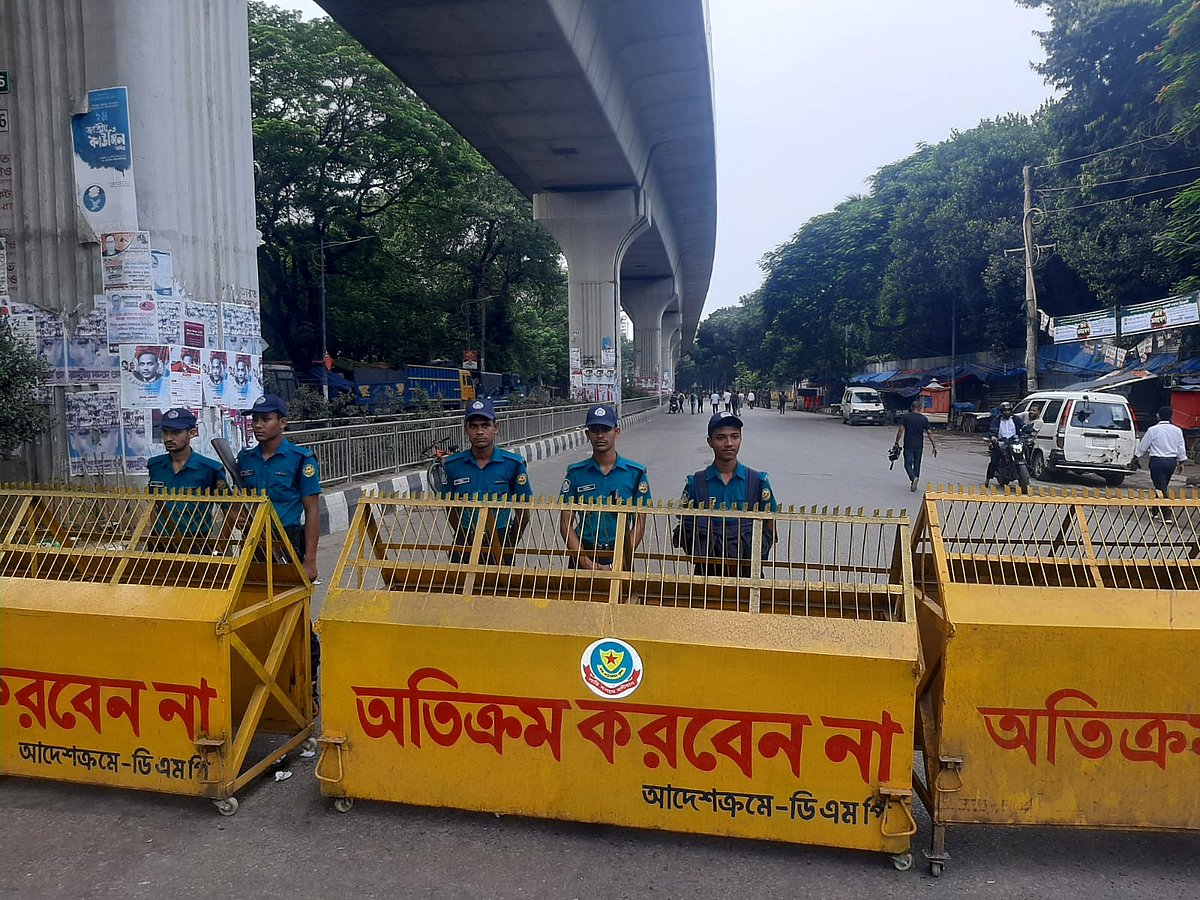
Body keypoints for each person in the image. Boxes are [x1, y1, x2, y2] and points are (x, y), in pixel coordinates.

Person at [236, 395, 322, 694]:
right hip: (255, 546)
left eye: (265, 419)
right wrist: (238, 517)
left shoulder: (301, 459)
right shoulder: (244, 460)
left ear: (283, 423)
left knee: (295, 615)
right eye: (255, 419)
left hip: (288, 544)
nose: (258, 425)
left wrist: (310, 560)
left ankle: (307, 683)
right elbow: (237, 501)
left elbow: (312, 510)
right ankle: (265, 680)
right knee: (254, 610)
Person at [678, 411, 779, 576]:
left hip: (747, 572)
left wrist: (757, 555)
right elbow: (686, 527)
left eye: (735, 436)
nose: (729, 443)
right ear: (710, 441)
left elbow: (770, 524)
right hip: (707, 572)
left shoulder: (757, 482)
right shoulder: (696, 483)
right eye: (721, 438)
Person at [560, 405, 651, 571]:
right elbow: (565, 524)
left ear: (616, 432)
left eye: (605, 429)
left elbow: (639, 525)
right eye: (594, 430)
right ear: (588, 434)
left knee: (622, 597)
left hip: (621, 551)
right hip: (583, 551)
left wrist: (621, 559)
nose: (600, 435)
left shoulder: (635, 474)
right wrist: (585, 562)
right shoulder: (575, 474)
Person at [440, 398, 532, 562]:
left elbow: (523, 511)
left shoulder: (513, 464)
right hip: (466, 537)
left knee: (500, 587)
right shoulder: (453, 465)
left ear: (495, 427)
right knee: (461, 586)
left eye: (485, 425)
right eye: (473, 426)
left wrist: (509, 542)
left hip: (501, 536)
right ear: (466, 430)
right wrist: (463, 534)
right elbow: (449, 506)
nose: (479, 431)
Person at [146, 408, 227, 549]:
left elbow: (230, 508)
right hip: (161, 542)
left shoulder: (210, 469)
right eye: (165, 432)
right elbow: (153, 503)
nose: (168, 438)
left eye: (176, 433)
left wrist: (220, 545)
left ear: (192, 433)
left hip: (196, 542)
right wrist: (154, 533)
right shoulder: (155, 466)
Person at [1137, 405, 1188, 522]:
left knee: (1161, 487)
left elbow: (1143, 446)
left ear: (1158, 416)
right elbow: (1181, 447)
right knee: (1161, 486)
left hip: (1157, 462)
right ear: (1171, 416)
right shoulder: (1177, 430)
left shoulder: (1153, 430)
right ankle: (1155, 511)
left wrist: (1136, 457)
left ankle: (1167, 513)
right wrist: (1181, 462)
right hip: (1171, 462)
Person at [894, 399, 938, 492]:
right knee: (917, 464)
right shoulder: (923, 419)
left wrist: (897, 442)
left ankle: (913, 478)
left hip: (908, 445)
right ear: (920, 408)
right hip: (919, 445)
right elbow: (929, 433)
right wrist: (934, 446)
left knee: (907, 464)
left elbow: (901, 430)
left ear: (912, 408)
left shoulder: (906, 417)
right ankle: (915, 480)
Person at [985, 402, 1025, 486]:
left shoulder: (1016, 419)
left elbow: (1023, 426)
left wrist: (1028, 430)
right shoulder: (996, 420)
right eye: (1005, 410)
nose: (1007, 412)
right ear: (1001, 411)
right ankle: (988, 478)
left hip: (1014, 442)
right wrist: (993, 437)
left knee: (1025, 451)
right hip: (1001, 443)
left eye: (1008, 410)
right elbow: (992, 430)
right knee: (995, 460)